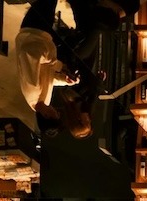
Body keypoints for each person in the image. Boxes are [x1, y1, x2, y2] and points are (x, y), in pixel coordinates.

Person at [15, 0, 91, 138]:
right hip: (42, 36)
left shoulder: (33, 89)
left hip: (33, 32)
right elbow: (48, 77)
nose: (58, 113)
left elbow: (30, 53)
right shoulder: (43, 101)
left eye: (56, 115)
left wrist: (59, 65)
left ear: (46, 115)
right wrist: (64, 80)